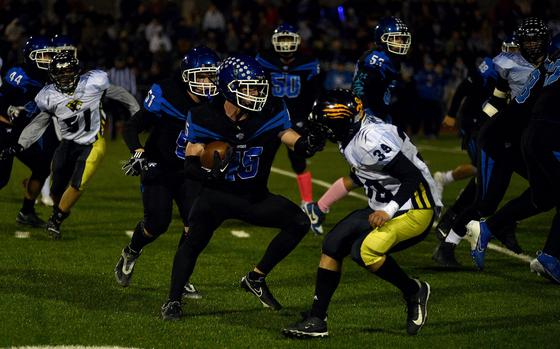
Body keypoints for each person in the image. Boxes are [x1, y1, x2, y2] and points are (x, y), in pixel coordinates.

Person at [159, 54, 325, 320]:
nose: (256, 93)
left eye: (258, 87)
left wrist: (308, 143)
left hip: (254, 196)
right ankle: (173, 300)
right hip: (217, 196)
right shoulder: (204, 115)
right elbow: (189, 164)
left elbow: (290, 137)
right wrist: (208, 174)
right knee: (192, 243)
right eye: (248, 88)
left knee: (299, 223)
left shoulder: (271, 109)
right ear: (227, 87)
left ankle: (255, 278)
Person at [282, 89, 441, 338]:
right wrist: (323, 205)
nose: (322, 128)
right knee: (332, 244)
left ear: (342, 121)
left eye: (326, 123)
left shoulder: (370, 140)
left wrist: (388, 212)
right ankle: (317, 319)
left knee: (364, 251)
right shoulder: (356, 135)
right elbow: (362, 175)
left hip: (414, 207)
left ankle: (413, 291)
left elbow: (412, 177)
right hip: (384, 203)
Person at [434, 18, 551, 267]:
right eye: (528, 41)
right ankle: (447, 245)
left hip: (520, 139)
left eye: (537, 40)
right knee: (486, 200)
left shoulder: (551, 66)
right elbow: (496, 100)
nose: (532, 46)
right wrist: (480, 131)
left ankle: (504, 223)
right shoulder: (507, 64)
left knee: (545, 187)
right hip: (498, 138)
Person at [114, 46, 220, 300]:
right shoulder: (166, 93)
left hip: (189, 170)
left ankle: (181, 280)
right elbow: (133, 126)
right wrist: (138, 151)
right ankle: (131, 251)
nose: (207, 82)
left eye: (211, 76)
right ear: (186, 76)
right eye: (201, 76)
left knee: (193, 227)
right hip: (159, 164)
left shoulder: (218, 101)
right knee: (156, 224)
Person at [0, 52, 139, 239]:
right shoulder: (48, 95)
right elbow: (38, 123)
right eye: (61, 73)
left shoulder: (93, 83)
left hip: (92, 143)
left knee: (78, 183)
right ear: (52, 75)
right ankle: (60, 211)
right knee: (56, 189)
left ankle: (55, 221)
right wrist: (20, 145)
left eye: (69, 72)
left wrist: (136, 112)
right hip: (67, 143)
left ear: (77, 71)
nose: (65, 77)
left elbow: (120, 93)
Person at [303, 16, 412, 235]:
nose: (401, 43)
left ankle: (320, 208)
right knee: (382, 171)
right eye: (396, 38)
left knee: (362, 175)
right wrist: (376, 118)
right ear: (383, 39)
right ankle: (399, 209)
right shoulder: (377, 58)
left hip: (370, 117)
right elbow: (369, 89)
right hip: (368, 121)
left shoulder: (384, 57)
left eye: (402, 38)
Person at [469, 33, 560, 273]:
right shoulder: (543, 71)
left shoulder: (545, 71)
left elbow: (518, 104)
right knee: (487, 198)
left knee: (544, 198)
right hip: (543, 139)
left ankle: (488, 228)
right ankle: (550, 257)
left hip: (527, 137)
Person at [256, 23, 322, 232]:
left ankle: (308, 203)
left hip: (295, 121)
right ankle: (254, 197)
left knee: (299, 162)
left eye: (288, 40)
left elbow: (314, 94)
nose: (285, 45)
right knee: (262, 159)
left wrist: (307, 119)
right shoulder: (264, 60)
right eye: (281, 40)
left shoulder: (308, 63)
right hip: (270, 119)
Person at [0, 35, 58, 227]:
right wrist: (8, 114)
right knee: (1, 179)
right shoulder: (19, 75)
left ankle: (26, 212)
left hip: (21, 134)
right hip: (3, 130)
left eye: (50, 55)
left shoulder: (47, 78)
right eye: (44, 56)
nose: (49, 60)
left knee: (42, 168)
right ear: (31, 56)